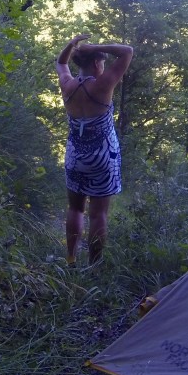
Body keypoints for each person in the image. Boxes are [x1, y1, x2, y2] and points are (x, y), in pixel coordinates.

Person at [55, 34, 133, 266]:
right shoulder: (102, 85)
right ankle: (94, 266)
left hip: (75, 156)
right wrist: (94, 46)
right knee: (98, 214)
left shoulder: (67, 85)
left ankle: (70, 259)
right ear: (97, 63)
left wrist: (72, 44)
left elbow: (60, 63)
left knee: (76, 209)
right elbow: (127, 50)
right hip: (102, 158)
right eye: (102, 62)